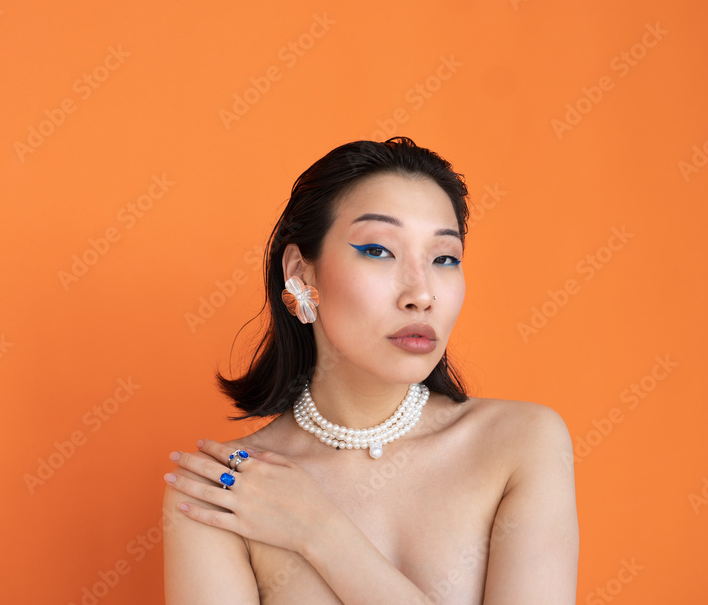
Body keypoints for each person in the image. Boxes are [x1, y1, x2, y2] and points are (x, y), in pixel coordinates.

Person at [163, 137, 578, 604]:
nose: (421, 294)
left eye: (444, 258)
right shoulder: (226, 491)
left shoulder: (520, 443)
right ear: (300, 271)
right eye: (378, 250)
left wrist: (321, 532)